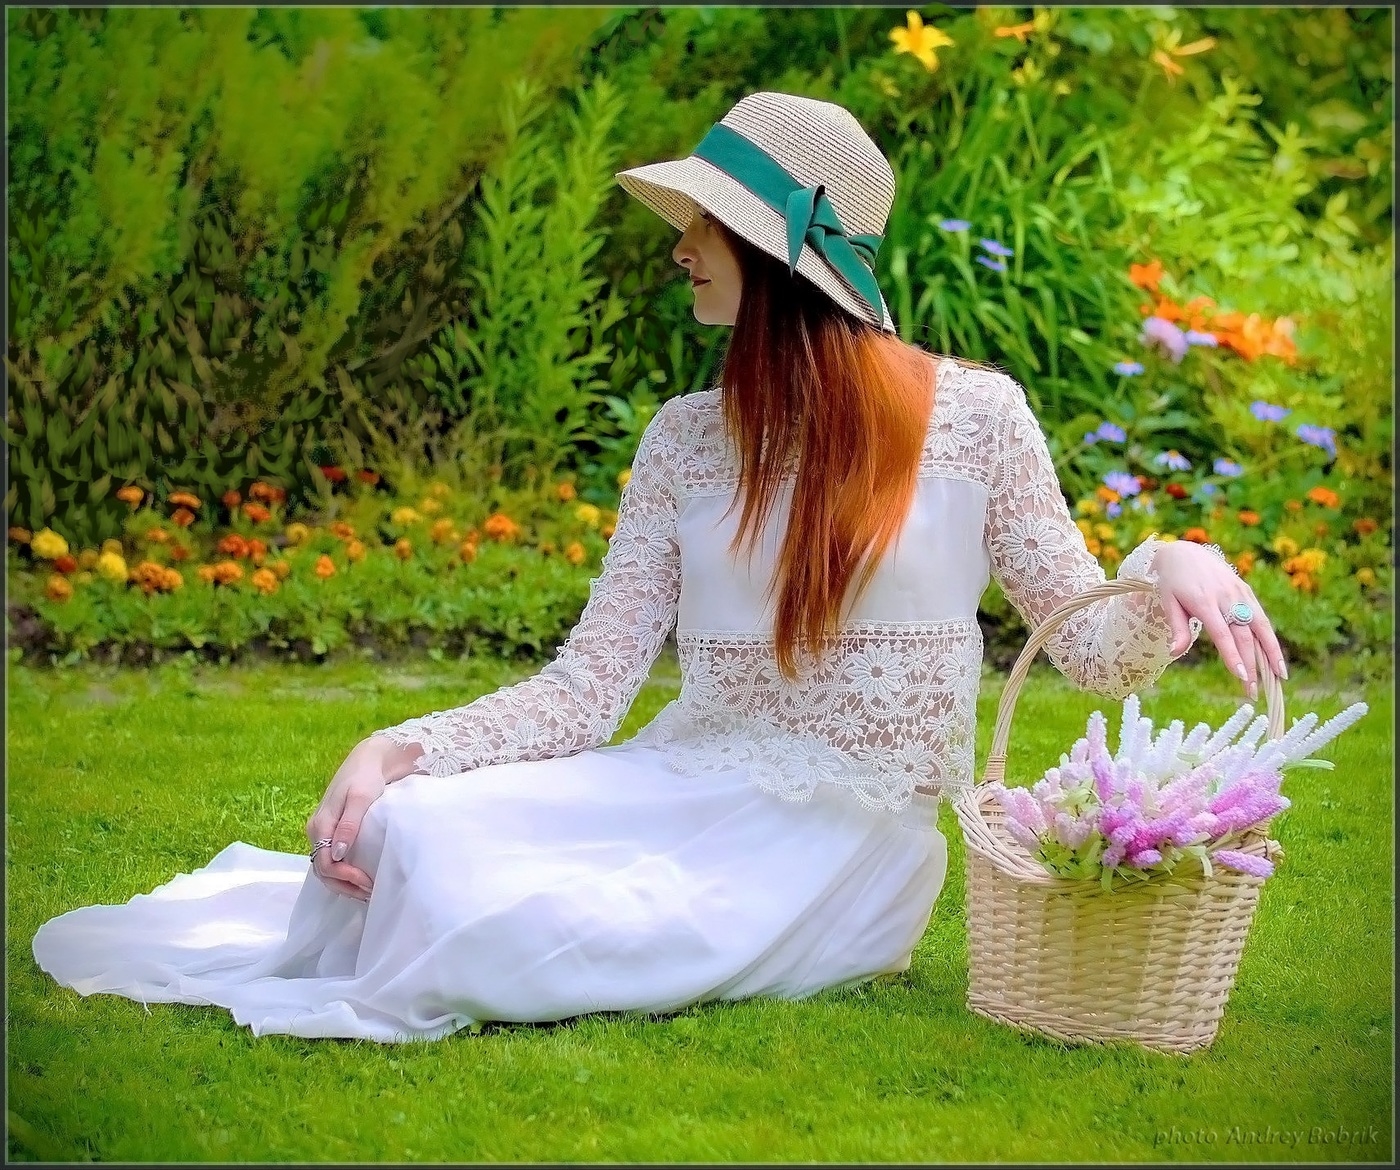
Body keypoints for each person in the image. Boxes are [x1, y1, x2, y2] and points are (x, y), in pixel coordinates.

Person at [32, 91, 1286, 1042]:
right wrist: (397, 748)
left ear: (778, 255)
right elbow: (585, 693)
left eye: (704, 224)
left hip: (843, 844)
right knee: (412, 832)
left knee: (475, 908)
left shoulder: (977, 417)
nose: (678, 247)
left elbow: (1093, 651)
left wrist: (1170, 556)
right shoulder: (687, 440)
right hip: (674, 783)